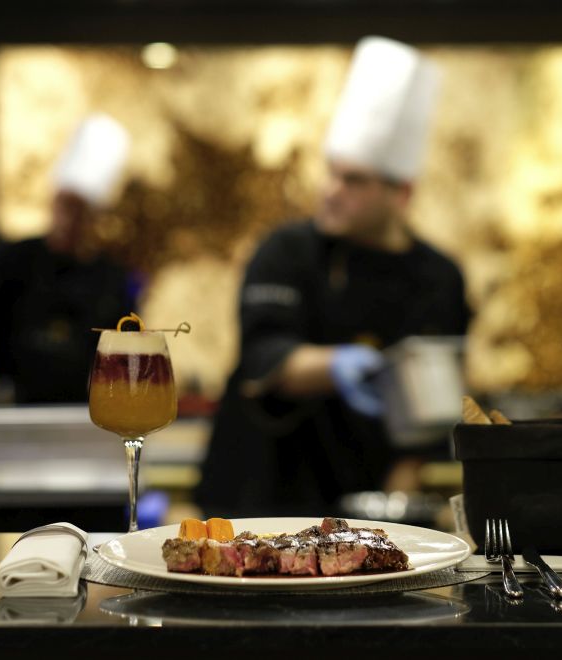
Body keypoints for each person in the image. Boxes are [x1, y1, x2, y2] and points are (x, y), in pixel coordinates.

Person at [194, 36, 471, 518]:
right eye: (332, 173)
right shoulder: (285, 251)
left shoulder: (438, 277)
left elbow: (434, 405)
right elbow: (263, 354)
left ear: (401, 193)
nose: (331, 190)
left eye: (354, 180)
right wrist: (337, 365)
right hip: (263, 486)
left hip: (364, 491)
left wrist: (395, 510)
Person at [0, 113, 136, 403]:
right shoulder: (15, 258)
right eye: (64, 205)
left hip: (86, 413)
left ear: (96, 217)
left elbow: (127, 352)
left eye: (80, 210)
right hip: (13, 407)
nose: (68, 219)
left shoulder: (112, 278)